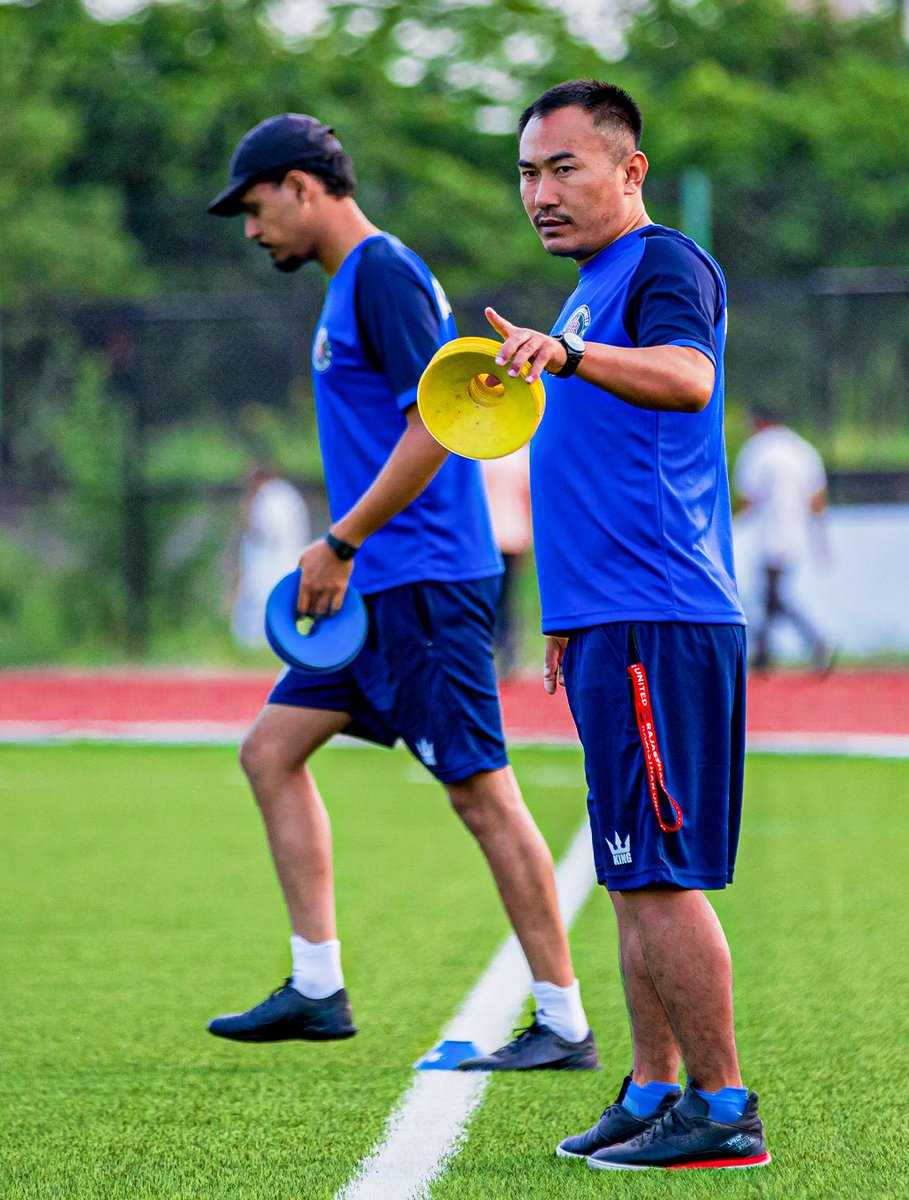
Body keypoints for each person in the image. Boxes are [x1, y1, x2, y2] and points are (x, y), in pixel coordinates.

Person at [204, 114, 596, 1068]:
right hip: (376, 582)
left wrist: (339, 540)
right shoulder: (351, 286)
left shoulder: (381, 273)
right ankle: (316, 986)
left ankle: (562, 1022)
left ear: (302, 187)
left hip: (422, 580)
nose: (253, 232)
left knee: (481, 796)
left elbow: (447, 414)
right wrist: (348, 555)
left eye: (257, 210)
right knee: (270, 752)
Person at [482, 80, 770, 1167]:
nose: (540, 193)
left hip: (661, 613)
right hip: (609, 617)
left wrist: (568, 358)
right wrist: (564, 612)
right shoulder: (589, 288)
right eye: (527, 172)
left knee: (658, 872)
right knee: (626, 865)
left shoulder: (662, 267)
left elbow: (690, 382)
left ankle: (723, 1107)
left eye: (563, 168)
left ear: (629, 171)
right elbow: (595, 468)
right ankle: (653, 1092)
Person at [734, 409, 834, 671]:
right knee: (771, 594)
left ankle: (816, 642)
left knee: (774, 595)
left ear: (760, 423)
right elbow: (817, 500)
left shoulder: (758, 449)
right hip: (795, 534)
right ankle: (764, 653)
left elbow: (749, 499)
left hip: (767, 534)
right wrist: (821, 541)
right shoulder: (803, 450)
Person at [229, 465, 311, 649]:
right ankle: (255, 647)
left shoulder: (273, 496)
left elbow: (264, 530)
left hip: (275, 561)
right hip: (275, 559)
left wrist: (247, 512)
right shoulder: (282, 494)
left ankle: (264, 645)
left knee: (266, 602)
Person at [480, 446, 533, 678]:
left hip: (485, 538)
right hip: (511, 535)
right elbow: (528, 497)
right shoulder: (520, 456)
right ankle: (509, 655)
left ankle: (494, 653)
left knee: (488, 600)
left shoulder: (479, 456)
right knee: (506, 600)